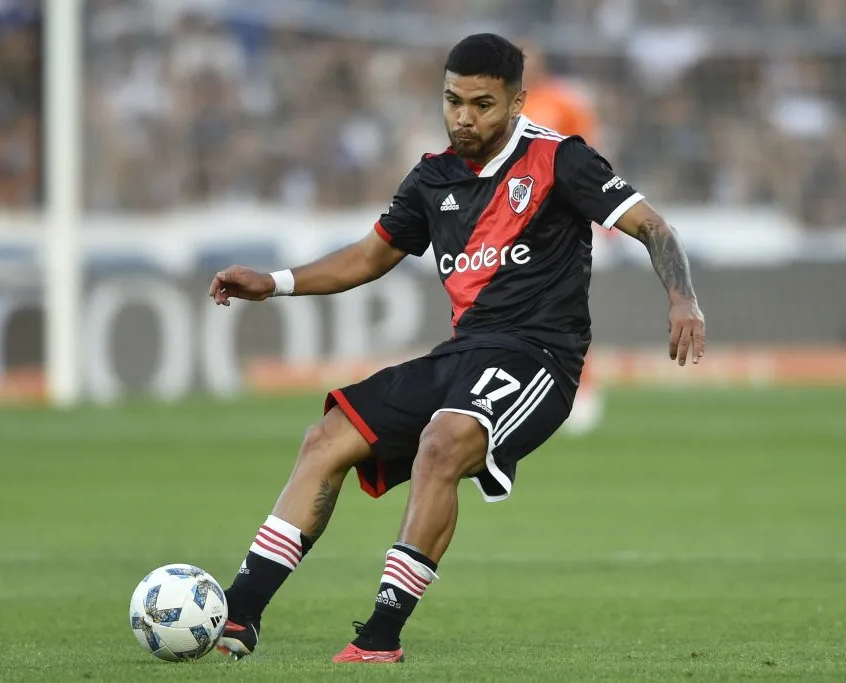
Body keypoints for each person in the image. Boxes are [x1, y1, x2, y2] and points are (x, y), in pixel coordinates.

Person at [208, 33, 706, 665]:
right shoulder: (431, 177)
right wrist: (274, 283)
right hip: (464, 351)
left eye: (482, 104)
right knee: (327, 437)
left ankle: (379, 638)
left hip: (539, 360)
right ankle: (240, 613)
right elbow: (368, 257)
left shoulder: (562, 161)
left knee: (442, 442)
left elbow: (653, 225)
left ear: (518, 102)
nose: (464, 118)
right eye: (453, 101)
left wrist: (682, 298)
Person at [519, 38, 605, 434]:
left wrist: (600, 208)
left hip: (563, 221)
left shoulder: (564, 101)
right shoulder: (500, 103)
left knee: (568, 307)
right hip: (515, 224)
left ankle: (581, 388)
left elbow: (590, 154)